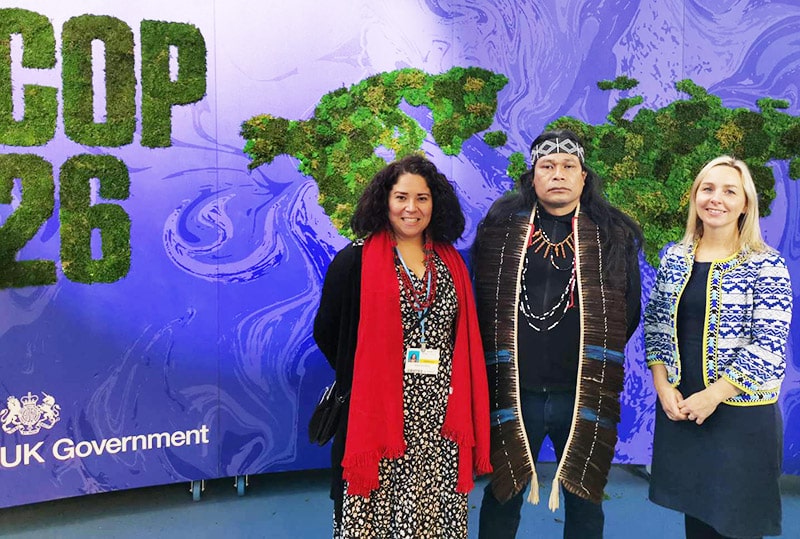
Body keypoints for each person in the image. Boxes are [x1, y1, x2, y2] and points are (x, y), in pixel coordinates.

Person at [472, 129, 643, 539]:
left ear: (584, 177)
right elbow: (479, 303)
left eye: (569, 166)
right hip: (513, 390)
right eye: (547, 166)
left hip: (582, 391)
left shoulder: (612, 234)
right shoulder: (500, 230)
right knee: (501, 495)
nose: (558, 174)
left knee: (585, 498)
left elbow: (628, 311)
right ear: (533, 176)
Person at [313, 154, 492, 538]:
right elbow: (326, 331)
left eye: (422, 198)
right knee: (375, 511)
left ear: (435, 204)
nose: (412, 208)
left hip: (439, 416)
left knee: (432, 512)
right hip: (377, 411)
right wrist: (365, 377)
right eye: (401, 197)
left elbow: (458, 333)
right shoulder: (354, 261)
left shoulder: (452, 263)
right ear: (384, 201)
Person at [644, 156, 793, 538]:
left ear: (746, 204)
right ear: (695, 197)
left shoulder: (767, 265)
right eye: (707, 189)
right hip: (684, 412)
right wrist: (663, 387)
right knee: (698, 522)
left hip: (740, 419)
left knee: (739, 526)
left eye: (730, 191)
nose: (717, 199)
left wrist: (713, 396)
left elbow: (769, 346)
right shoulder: (674, 258)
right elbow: (657, 327)